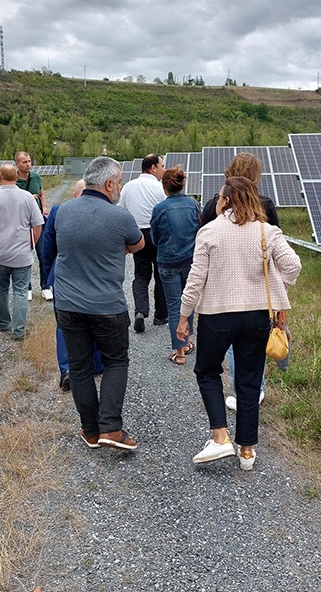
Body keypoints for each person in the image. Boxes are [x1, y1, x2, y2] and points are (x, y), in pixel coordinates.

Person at [178, 177, 301, 470]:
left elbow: (196, 280)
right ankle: (246, 451)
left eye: (221, 197)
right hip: (257, 316)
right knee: (248, 380)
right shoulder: (267, 231)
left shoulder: (209, 231)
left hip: (216, 315)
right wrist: (275, 288)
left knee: (207, 371)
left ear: (229, 200)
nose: (218, 201)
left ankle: (220, 437)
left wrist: (184, 315)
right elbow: (293, 266)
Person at [53, 157, 144, 450]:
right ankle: (112, 429)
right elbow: (137, 245)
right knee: (116, 361)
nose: (119, 187)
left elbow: (56, 247)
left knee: (79, 368)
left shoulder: (63, 211)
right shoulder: (121, 217)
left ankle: (91, 431)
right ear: (108, 184)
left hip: (68, 304)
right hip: (107, 305)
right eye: (118, 182)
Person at [199, 152, 281, 411]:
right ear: (256, 175)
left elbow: (200, 241)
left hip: (220, 286)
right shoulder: (265, 204)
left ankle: (240, 391)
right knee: (255, 340)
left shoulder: (214, 204)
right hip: (257, 285)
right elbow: (279, 248)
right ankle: (254, 390)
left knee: (233, 345)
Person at [39, 179, 104, 391]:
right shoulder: (103, 210)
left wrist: (50, 276)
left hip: (64, 276)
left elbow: (47, 249)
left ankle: (68, 370)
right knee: (95, 318)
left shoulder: (58, 212)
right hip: (94, 275)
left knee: (64, 324)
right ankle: (95, 364)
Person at [0, 164, 44, 341]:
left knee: (1, 290)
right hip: (22, 254)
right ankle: (18, 330)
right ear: (17, 177)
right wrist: (31, 244)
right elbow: (37, 225)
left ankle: (3, 323)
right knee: (21, 291)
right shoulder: (27, 198)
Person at [149, 165, 200, 364]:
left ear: (164, 187)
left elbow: (154, 237)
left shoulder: (159, 209)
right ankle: (187, 342)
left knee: (173, 305)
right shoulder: (194, 204)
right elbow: (200, 230)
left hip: (167, 262)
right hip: (190, 261)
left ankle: (179, 353)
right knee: (189, 302)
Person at [118, 153, 168, 333]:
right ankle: (161, 315)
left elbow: (121, 212)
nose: (164, 169)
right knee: (160, 275)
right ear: (153, 168)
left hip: (136, 234)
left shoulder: (129, 187)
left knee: (141, 275)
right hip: (157, 234)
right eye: (162, 166)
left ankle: (140, 311)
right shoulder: (160, 188)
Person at [15, 150, 51, 301]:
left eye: (29, 161)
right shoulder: (14, 181)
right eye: (24, 162)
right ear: (17, 164)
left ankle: (46, 287)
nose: (28, 164)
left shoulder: (36, 177)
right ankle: (27, 287)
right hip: (21, 223)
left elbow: (42, 194)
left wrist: (43, 207)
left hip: (39, 221)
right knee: (25, 255)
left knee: (43, 254)